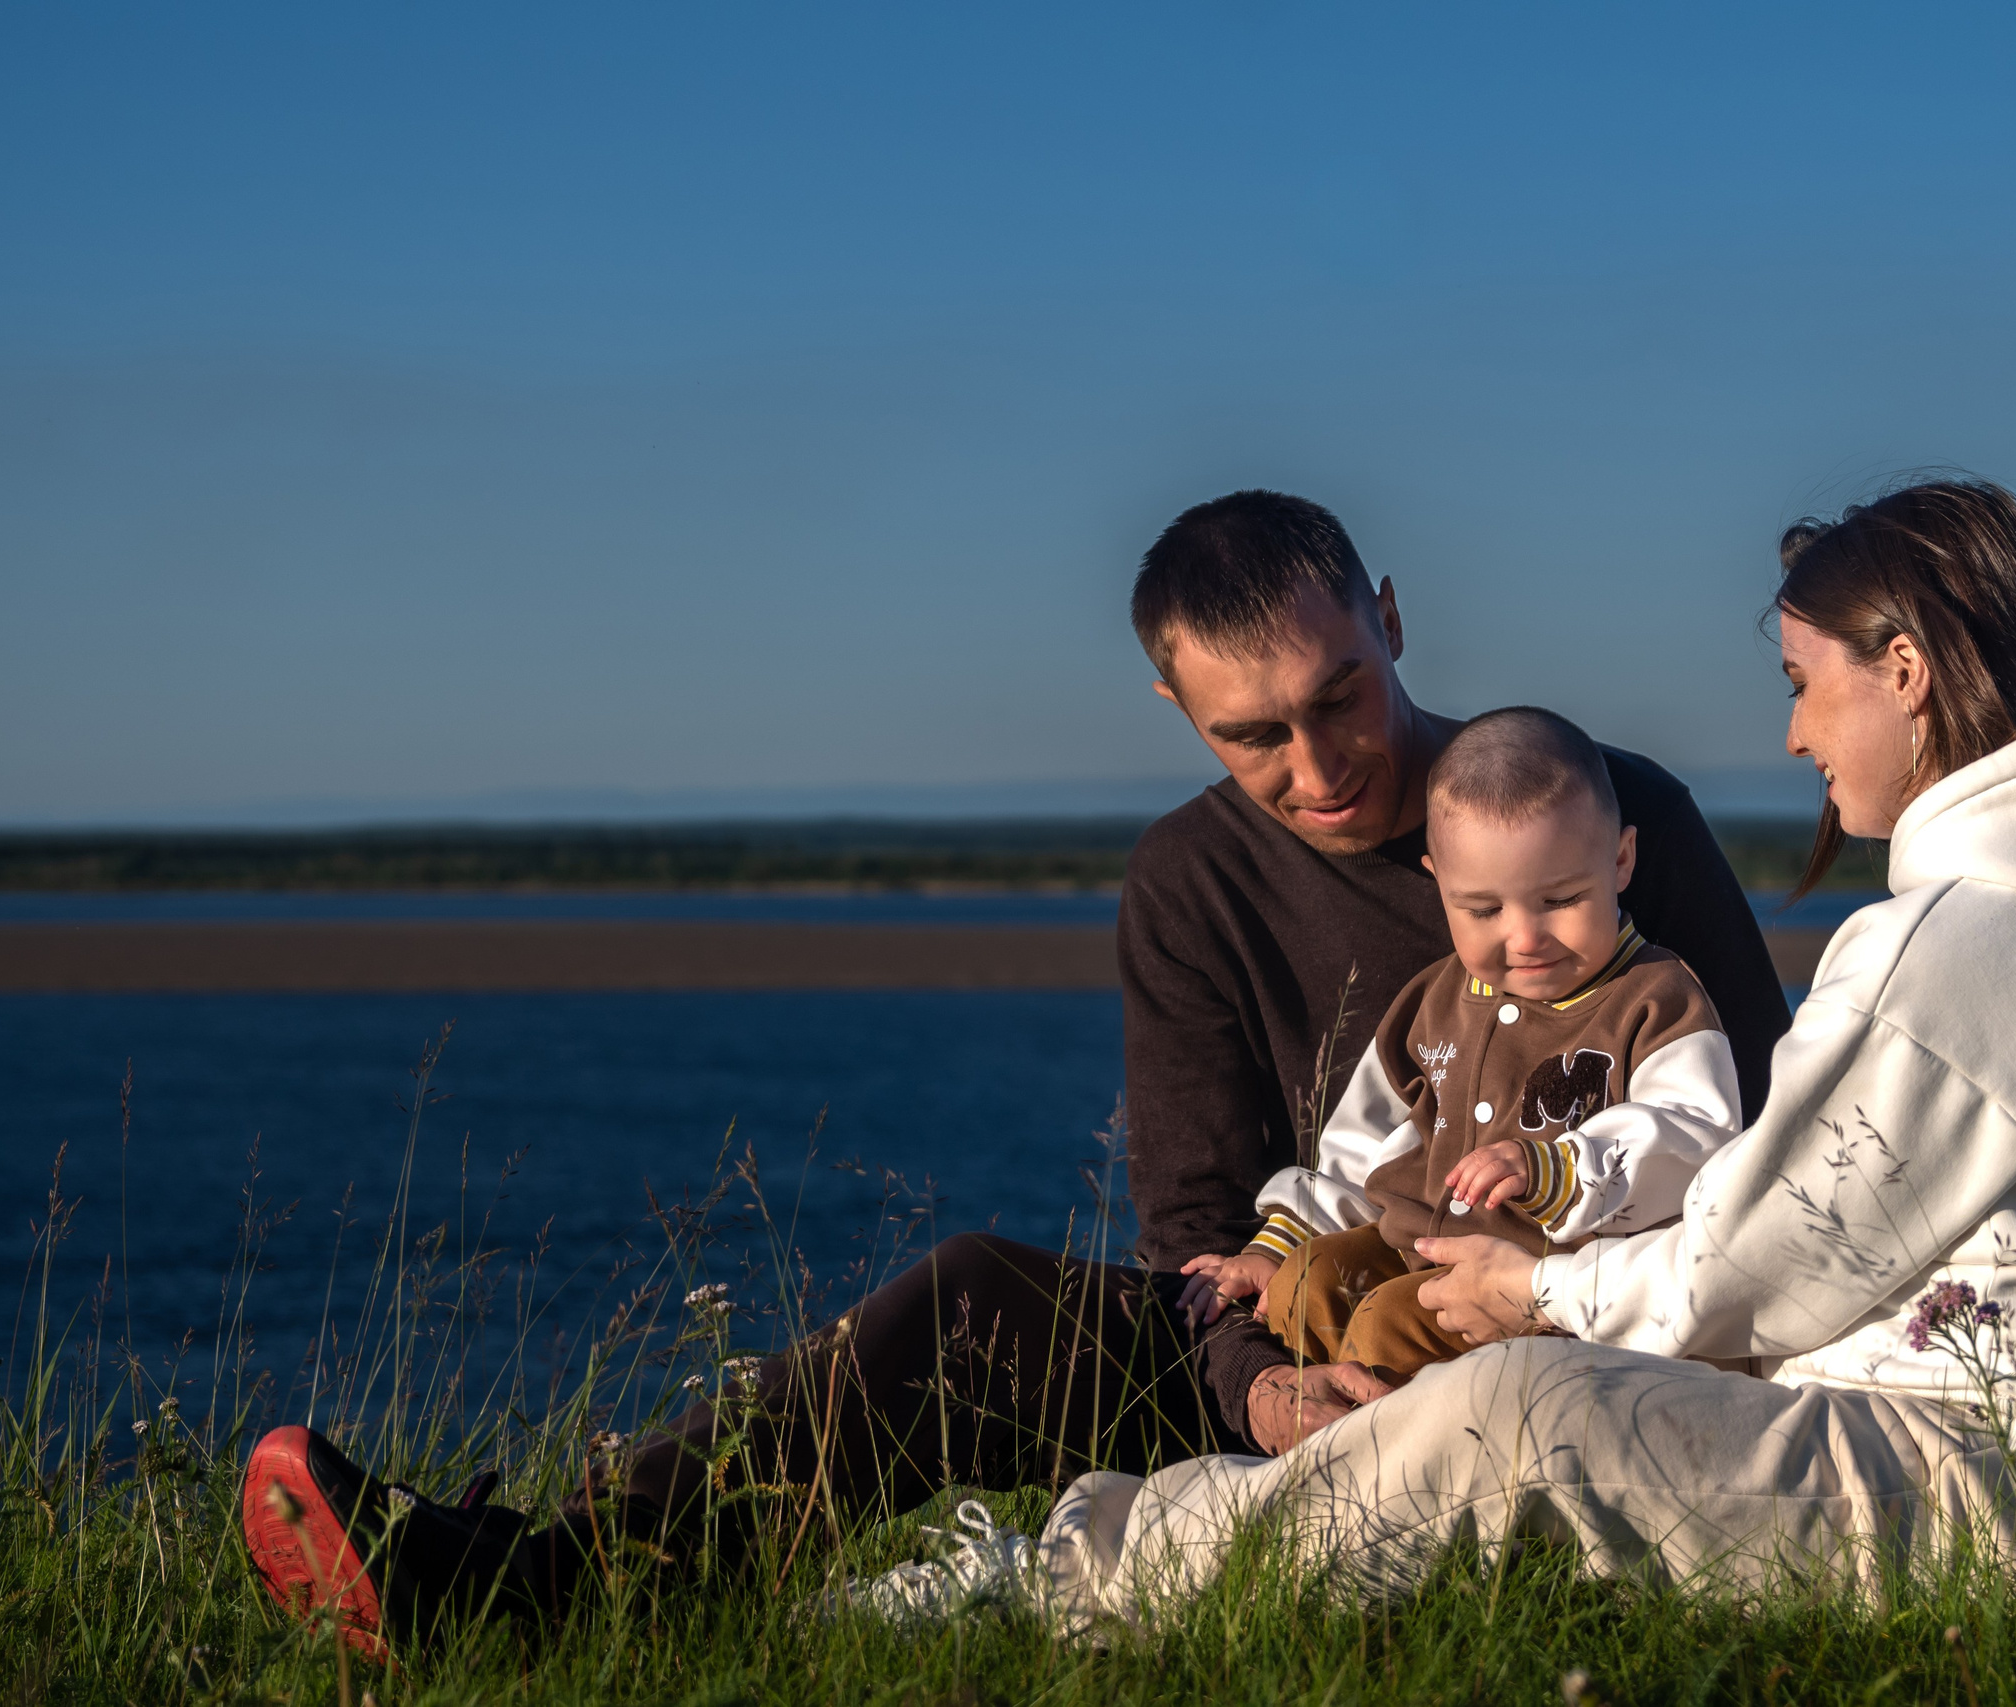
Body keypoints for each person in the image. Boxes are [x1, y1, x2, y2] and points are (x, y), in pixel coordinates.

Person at [236, 489, 1790, 1645]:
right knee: (978, 1293)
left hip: (1598, 1317)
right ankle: (534, 1587)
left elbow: (1781, 1134)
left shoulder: (1601, 806)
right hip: (1302, 1326)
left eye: (1339, 699)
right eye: (1252, 734)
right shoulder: (1186, 881)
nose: (1317, 769)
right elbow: (1196, 1218)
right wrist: (1261, 1393)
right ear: (1174, 707)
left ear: (1390, 616)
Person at [904, 477, 2016, 1624]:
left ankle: (1050, 1582)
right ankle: (1102, 1551)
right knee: (1532, 1397)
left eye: (1807, 683)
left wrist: (1535, 1280)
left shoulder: (1965, 947)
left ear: (1909, 672)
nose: (1796, 729)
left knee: (1522, 1414)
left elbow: (1757, 1265)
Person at [1195, 704, 1744, 1382]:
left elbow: (1694, 1135)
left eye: (1561, 899)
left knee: (1389, 1322)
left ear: (1621, 859)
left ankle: (1410, 1468)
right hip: (1413, 1241)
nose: (1524, 937)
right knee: (1309, 1282)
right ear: (1439, 882)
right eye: (1483, 909)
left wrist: (1557, 1168)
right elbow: (1360, 1142)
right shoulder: (1434, 1001)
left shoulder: (1655, 998)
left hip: (1543, 1289)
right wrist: (1281, 1240)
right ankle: (1325, 1438)